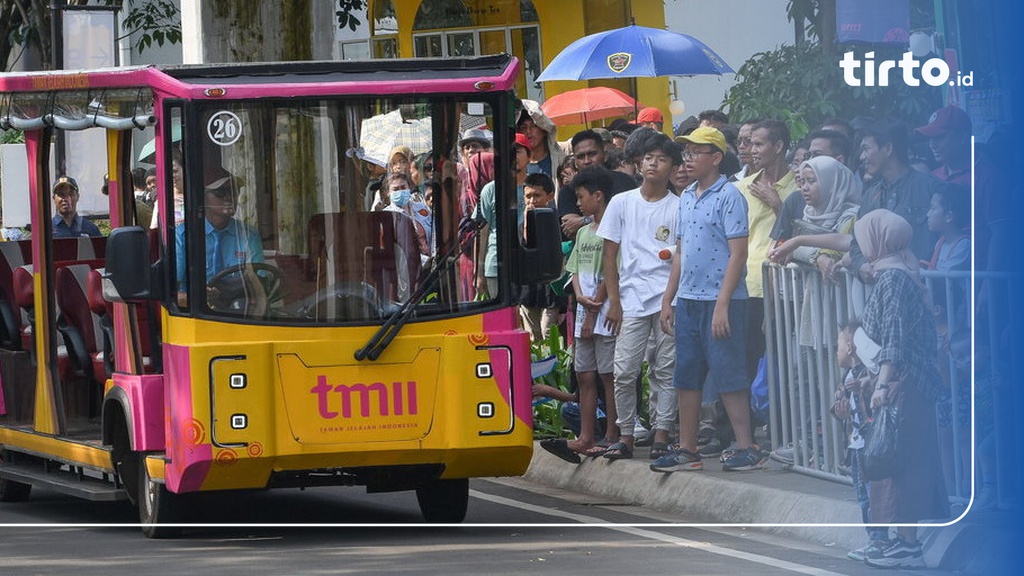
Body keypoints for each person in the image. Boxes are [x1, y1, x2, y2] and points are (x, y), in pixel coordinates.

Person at [651, 126, 762, 473]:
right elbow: (680, 252)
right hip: (689, 300)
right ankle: (687, 447)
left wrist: (723, 304)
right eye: (687, 152)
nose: (688, 159)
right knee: (686, 374)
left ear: (716, 158)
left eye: (697, 152)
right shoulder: (686, 197)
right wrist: (669, 299)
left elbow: (738, 254)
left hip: (721, 299)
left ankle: (747, 445)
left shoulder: (730, 196)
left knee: (729, 373)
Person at [852, 209, 949, 569]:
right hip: (906, 380)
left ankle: (908, 546)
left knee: (902, 463)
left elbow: (893, 334)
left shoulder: (893, 277)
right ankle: (900, 542)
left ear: (879, 239)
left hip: (904, 383)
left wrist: (881, 382)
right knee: (902, 461)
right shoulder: (903, 269)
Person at [596, 132, 681, 461]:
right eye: (648, 158)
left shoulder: (678, 206)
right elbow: (609, 255)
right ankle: (626, 434)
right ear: (638, 162)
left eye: (661, 158)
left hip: (666, 299)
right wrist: (614, 301)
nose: (654, 163)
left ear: (672, 165)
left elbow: (680, 257)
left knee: (665, 369)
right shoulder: (622, 203)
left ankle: (662, 433)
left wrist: (668, 301)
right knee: (625, 370)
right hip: (630, 299)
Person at [562, 166, 620, 457]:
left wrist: (594, 303)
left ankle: (611, 432)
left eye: (581, 196)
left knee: (608, 375)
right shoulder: (584, 232)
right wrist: (581, 297)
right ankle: (586, 435)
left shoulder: (614, 231)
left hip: (604, 310)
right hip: (585, 309)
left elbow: (612, 272)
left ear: (598, 196)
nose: (578, 203)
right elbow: (574, 269)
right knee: (584, 374)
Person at [847, 118, 942, 283]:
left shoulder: (931, 188)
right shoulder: (869, 196)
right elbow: (855, 245)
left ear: (888, 148)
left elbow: (950, 239)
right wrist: (861, 266)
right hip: (881, 292)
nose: (862, 157)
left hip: (927, 291)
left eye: (866, 149)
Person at [829, 320, 893, 561]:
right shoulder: (846, 376)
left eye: (837, 345)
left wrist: (861, 393)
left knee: (872, 495)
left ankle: (879, 539)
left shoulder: (868, 374)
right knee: (862, 496)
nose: (835, 351)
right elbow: (835, 407)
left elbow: (871, 413)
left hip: (870, 447)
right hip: (856, 447)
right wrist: (841, 411)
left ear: (849, 347)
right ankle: (873, 538)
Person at [175, 166, 264, 309]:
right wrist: (198, 297)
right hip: (196, 314)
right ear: (203, 197)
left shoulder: (249, 235)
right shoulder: (183, 235)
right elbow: (174, 294)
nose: (229, 197)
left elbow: (260, 283)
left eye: (233, 192)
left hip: (240, 312)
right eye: (220, 192)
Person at [558, 130, 642, 240]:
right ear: (575, 162)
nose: (587, 161)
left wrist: (585, 220)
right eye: (581, 157)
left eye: (592, 154)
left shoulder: (624, 181)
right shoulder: (568, 190)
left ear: (605, 155)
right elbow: (571, 229)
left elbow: (628, 218)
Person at [475, 134, 529, 299]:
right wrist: (479, 272)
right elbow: (482, 232)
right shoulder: (490, 190)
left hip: (528, 264)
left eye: (517, 151)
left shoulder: (536, 186)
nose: (512, 157)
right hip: (495, 265)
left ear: (529, 155)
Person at [519, 172, 560, 341]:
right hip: (529, 289)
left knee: (548, 333)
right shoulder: (522, 224)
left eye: (537, 195)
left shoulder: (556, 221)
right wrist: (527, 222)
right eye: (528, 196)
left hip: (551, 288)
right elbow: (526, 246)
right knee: (532, 337)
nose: (532, 201)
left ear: (549, 196)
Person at [923, 184, 970, 272]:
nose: (928, 214)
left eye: (933, 209)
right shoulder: (940, 243)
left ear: (948, 216)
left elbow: (943, 277)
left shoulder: (964, 246)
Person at [518, 100, 564, 181]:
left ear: (544, 130)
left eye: (533, 126)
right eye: (523, 128)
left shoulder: (559, 160)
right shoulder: (517, 165)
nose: (528, 131)